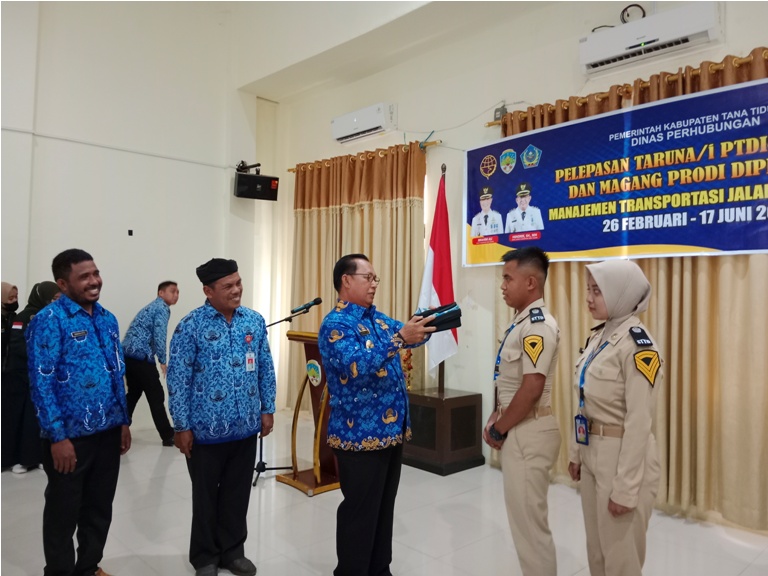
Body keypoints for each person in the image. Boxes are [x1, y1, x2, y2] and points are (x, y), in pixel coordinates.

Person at [318, 254, 435, 576]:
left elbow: (410, 336)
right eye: (367, 278)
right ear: (346, 280)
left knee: (383, 508)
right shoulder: (336, 325)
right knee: (360, 512)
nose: (373, 284)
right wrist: (400, 339)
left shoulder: (378, 320)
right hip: (358, 435)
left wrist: (432, 322)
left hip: (390, 432)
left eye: (375, 279)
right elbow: (357, 365)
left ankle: (380, 569)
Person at [167, 258, 276, 576]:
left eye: (238, 283)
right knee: (205, 497)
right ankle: (205, 557)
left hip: (245, 427)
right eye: (228, 286)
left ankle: (233, 551)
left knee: (237, 493)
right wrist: (181, 426)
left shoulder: (253, 321)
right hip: (205, 431)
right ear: (208, 291)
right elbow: (177, 379)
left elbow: (265, 367)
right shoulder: (191, 326)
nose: (237, 290)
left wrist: (267, 408)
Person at [26, 249, 131, 576]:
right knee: (63, 513)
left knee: (99, 508)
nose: (94, 281)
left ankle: (88, 567)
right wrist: (57, 437)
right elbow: (41, 383)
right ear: (63, 283)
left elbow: (117, 371)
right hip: (69, 438)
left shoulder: (107, 318)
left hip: (108, 431)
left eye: (95, 273)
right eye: (84, 276)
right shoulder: (49, 320)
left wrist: (123, 421)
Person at [568, 260, 662, 576]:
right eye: (588, 289)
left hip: (622, 456)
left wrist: (625, 488)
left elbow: (639, 422)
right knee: (597, 553)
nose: (589, 298)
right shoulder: (600, 338)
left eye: (598, 291)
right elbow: (584, 400)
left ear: (622, 293)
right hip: (592, 451)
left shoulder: (638, 346)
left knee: (621, 559)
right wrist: (576, 452)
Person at [482, 247, 561, 576]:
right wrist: (496, 415)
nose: (502, 286)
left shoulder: (538, 326)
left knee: (531, 532)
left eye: (507, 278)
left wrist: (499, 428)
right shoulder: (521, 322)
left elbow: (531, 388)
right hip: (519, 426)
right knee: (524, 525)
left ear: (531, 282)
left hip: (530, 430)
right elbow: (508, 379)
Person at [4, 282, 61, 474]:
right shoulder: (23, 317)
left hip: (44, 378)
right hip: (23, 377)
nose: (56, 302)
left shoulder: (51, 316)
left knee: (39, 420)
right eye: (54, 298)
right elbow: (17, 345)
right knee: (22, 420)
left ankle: (37, 457)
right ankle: (21, 459)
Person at [123, 280, 179, 446]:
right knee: (156, 395)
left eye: (178, 292)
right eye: (172, 291)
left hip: (128, 355)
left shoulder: (152, 307)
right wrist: (163, 359)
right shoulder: (162, 308)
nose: (176, 295)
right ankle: (168, 435)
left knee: (133, 393)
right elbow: (159, 334)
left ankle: (118, 430)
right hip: (141, 356)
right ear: (161, 293)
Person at [1, 280, 20, 470]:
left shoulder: (14, 318)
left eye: (16, 297)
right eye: (10, 298)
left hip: (8, 374)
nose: (14, 301)